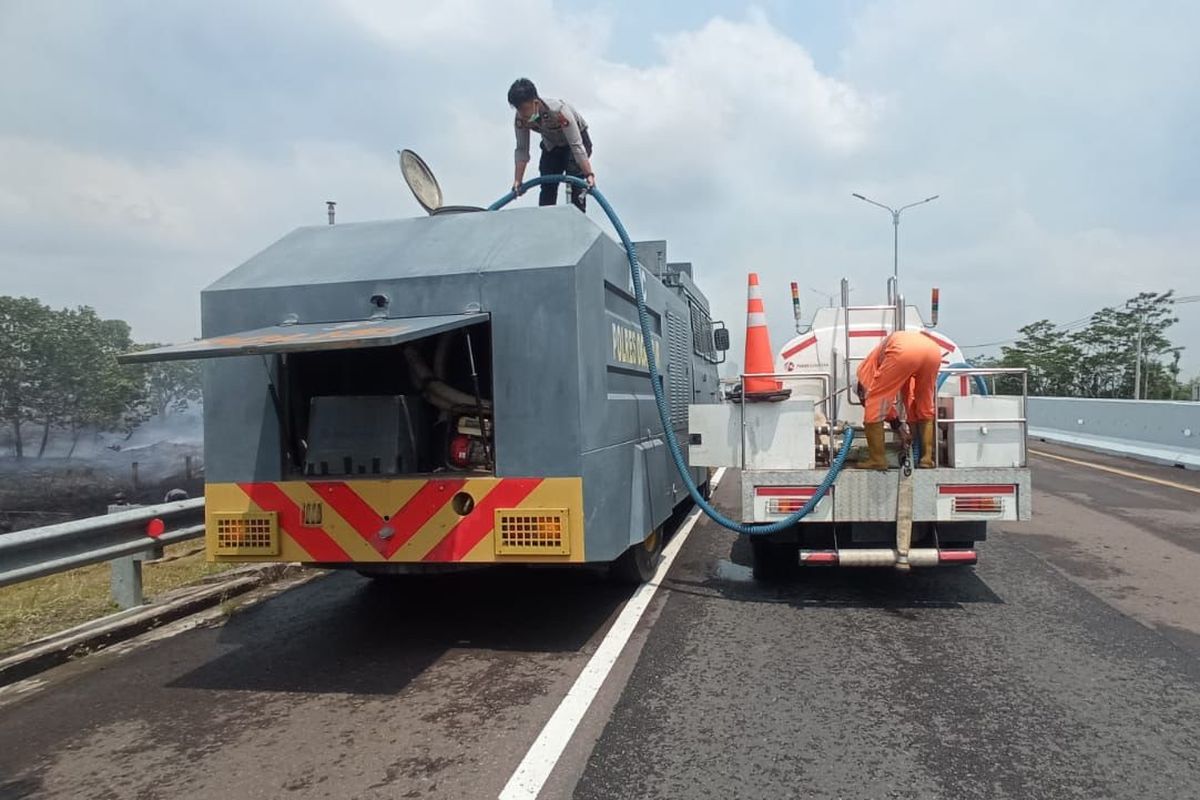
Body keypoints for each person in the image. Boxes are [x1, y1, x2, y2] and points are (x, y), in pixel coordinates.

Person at [855, 331, 941, 470]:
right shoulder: (886, 360)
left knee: (874, 403)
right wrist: (900, 428)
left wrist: (891, 420)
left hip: (903, 350)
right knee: (924, 401)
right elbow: (910, 397)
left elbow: (879, 400)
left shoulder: (865, 370)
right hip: (933, 350)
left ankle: (877, 459)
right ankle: (926, 459)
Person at [508, 78, 595, 212]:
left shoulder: (558, 111)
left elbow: (576, 144)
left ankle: (577, 220)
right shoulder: (521, 118)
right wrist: (517, 180)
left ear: (535, 103)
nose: (523, 114)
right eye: (519, 109)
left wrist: (589, 174)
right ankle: (546, 221)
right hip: (552, 144)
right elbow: (522, 149)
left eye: (525, 109)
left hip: (576, 143)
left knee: (575, 179)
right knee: (547, 182)